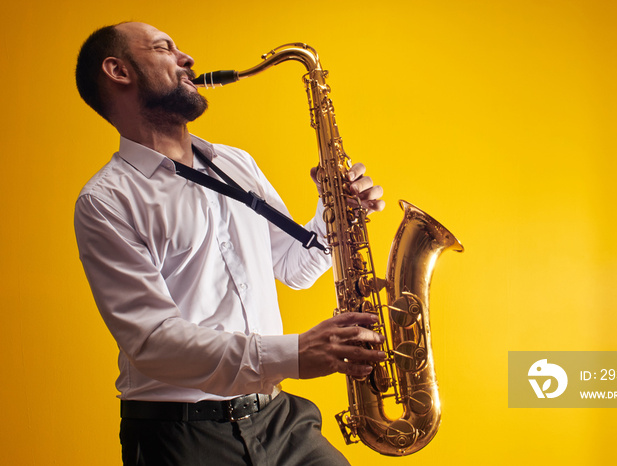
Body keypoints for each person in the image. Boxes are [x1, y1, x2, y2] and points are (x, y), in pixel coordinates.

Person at [74, 21, 387, 466]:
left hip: (278, 417)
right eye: (165, 48)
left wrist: (335, 212)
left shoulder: (236, 163)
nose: (188, 59)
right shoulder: (106, 201)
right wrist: (294, 354)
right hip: (182, 433)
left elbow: (294, 268)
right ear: (118, 71)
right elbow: (154, 342)